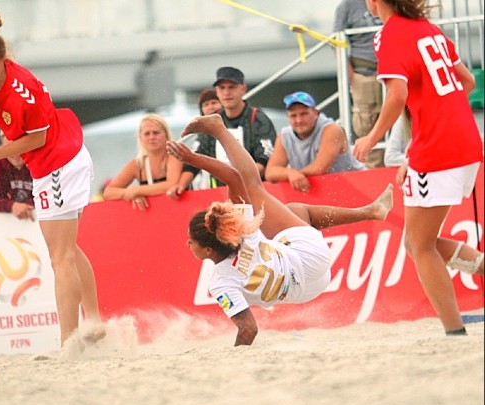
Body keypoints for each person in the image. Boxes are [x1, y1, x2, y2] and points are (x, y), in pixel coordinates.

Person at [168, 114, 394, 346]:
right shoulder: (241, 230)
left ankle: (372, 211)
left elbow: (248, 329)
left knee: (291, 209)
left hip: (308, 290)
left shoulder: (219, 282)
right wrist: (192, 158)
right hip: (311, 259)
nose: (187, 244)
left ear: (207, 249)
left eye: (190, 241)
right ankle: (370, 212)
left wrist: (237, 358)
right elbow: (236, 177)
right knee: (268, 196)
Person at [0, 13, 104, 347]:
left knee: (60, 256)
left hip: (59, 160)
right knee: (65, 249)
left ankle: (69, 340)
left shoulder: (23, 90)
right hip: (50, 162)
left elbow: (36, 139)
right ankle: (93, 320)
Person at [354, 0, 485, 336]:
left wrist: (371, 138)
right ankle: (457, 323)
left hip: (439, 148)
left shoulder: (390, 34)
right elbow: (466, 81)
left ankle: (454, 332)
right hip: (466, 139)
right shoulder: (428, 30)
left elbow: (397, 95)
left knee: (419, 245)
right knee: (418, 242)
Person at [167, 67, 277, 199]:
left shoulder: (258, 119)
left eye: (231, 87)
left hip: (255, 194)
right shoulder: (210, 121)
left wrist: (237, 179)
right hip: (220, 196)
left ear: (243, 89)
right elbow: (196, 156)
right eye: (222, 88)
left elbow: (265, 158)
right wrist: (181, 185)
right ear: (217, 92)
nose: (226, 92)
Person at [265, 91, 365, 192]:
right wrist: (290, 173)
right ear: (288, 117)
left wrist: (295, 174)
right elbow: (270, 172)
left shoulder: (332, 129)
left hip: (357, 187)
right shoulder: (284, 135)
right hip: (324, 190)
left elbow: (319, 168)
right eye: (293, 116)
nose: (299, 120)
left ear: (316, 113)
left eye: (304, 114)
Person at [334, 0, 386, 168]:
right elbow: (336, 41)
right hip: (363, 73)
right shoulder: (346, 6)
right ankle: (372, 172)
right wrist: (351, 75)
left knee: (400, 120)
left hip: (392, 73)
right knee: (366, 124)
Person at [102, 114, 183, 210]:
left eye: (156, 133)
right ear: (140, 137)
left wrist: (137, 190)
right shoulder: (138, 164)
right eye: (147, 134)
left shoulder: (174, 157)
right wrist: (128, 194)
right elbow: (108, 192)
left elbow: (171, 184)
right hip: (153, 213)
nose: (151, 137)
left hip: (178, 208)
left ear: (166, 135)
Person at [0, 131, 34, 220]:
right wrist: (12, 206)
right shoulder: (2, 165)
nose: (14, 153)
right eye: (8, 149)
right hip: (14, 221)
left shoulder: (39, 163)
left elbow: (49, 195)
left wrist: (26, 206)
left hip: (41, 218)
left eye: (18, 148)